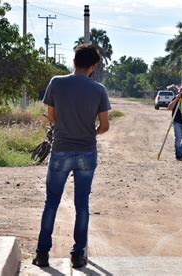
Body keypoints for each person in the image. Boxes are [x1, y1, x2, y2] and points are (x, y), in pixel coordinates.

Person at [32, 44, 111, 268]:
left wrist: (65, 127)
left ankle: (42, 253)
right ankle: (78, 255)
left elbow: (51, 117)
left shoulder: (56, 83)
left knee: (51, 202)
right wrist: (89, 132)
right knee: (82, 204)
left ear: (74, 60)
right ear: (93, 67)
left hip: (60, 150)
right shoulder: (99, 90)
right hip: (87, 151)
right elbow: (104, 126)